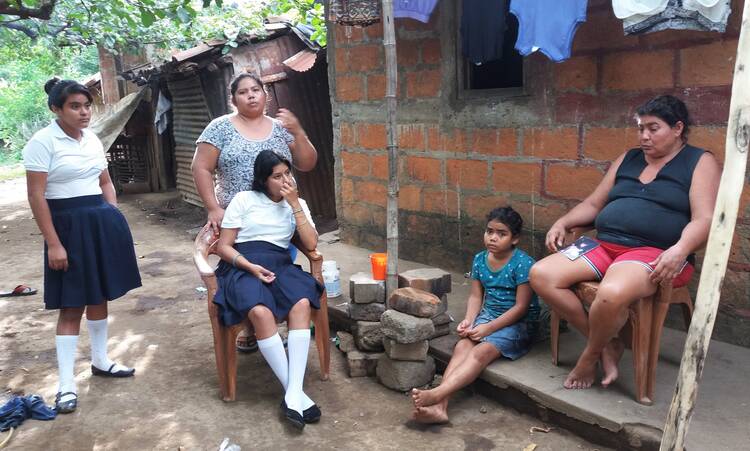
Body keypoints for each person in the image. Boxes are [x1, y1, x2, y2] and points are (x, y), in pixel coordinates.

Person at [529, 95, 721, 390]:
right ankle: (609, 344)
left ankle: (589, 356)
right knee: (541, 274)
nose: (644, 136)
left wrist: (679, 250)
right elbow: (595, 203)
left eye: (653, 128)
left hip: (656, 252)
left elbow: (704, 219)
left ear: (678, 128)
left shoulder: (699, 161)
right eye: (641, 128)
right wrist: (563, 221)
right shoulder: (628, 158)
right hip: (604, 244)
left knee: (611, 293)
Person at [23, 78, 142, 414]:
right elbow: (36, 196)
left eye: (86, 105)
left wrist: (112, 217)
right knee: (72, 303)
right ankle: (65, 385)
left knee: (99, 294)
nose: (84, 112)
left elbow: (104, 181)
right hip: (66, 226)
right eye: (75, 106)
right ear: (56, 109)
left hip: (100, 224)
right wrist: (54, 244)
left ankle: (101, 361)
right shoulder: (41, 142)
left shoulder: (91, 138)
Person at [192, 72, 317, 353]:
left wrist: (297, 131)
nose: (251, 95)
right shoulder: (219, 128)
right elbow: (200, 168)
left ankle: (270, 322)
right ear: (233, 99)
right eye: (243, 92)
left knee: (278, 263)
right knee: (245, 273)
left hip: (277, 214)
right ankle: (252, 324)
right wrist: (213, 207)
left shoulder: (280, 128)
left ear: (265, 94)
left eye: (256, 90)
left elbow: (307, 163)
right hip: (235, 216)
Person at [213, 150, 323, 429]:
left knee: (301, 303)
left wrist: (295, 204)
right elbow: (224, 246)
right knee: (260, 313)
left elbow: (310, 243)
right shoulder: (244, 200)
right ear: (263, 180)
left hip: (281, 264)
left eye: (288, 173)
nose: (285, 180)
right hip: (243, 265)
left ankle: (292, 395)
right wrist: (249, 266)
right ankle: (296, 395)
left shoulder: (297, 203)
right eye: (277, 176)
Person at [411, 206, 539, 424]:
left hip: (517, 323)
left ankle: (438, 393)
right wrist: (469, 320)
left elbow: (521, 308)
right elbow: (475, 297)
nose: (493, 238)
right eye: (490, 231)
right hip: (488, 316)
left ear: (515, 238)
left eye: (502, 233)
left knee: (480, 352)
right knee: (462, 346)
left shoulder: (523, 263)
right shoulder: (480, 259)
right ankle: (441, 407)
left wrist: (489, 328)